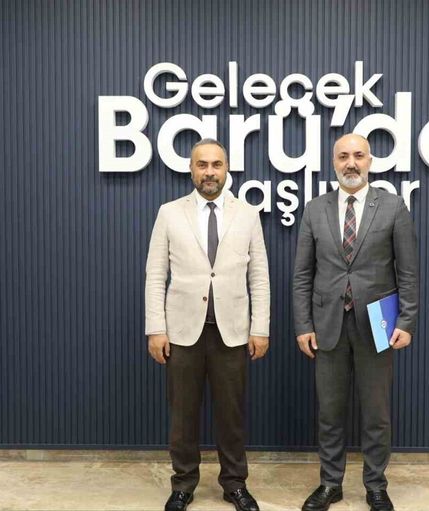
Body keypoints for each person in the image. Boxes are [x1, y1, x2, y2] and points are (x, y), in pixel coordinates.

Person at [293, 134, 420, 511]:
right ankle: (330, 484)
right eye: (344, 156)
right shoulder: (315, 209)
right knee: (330, 413)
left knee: (376, 413)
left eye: (358, 156)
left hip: (378, 325)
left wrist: (407, 320)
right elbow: (302, 274)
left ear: (370, 161)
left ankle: (375, 485)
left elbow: (408, 272)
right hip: (327, 325)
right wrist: (303, 325)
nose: (351, 163)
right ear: (333, 162)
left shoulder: (393, 207)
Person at [145, 138, 270, 511]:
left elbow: (259, 276)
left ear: (226, 169)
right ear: (191, 170)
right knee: (183, 415)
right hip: (182, 333)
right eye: (203, 165)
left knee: (231, 415)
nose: (210, 172)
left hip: (233, 332)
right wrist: (156, 328)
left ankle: (234, 484)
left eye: (216, 164)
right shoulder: (169, 213)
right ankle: (183, 484)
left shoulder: (247, 214)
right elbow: (156, 275)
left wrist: (260, 328)